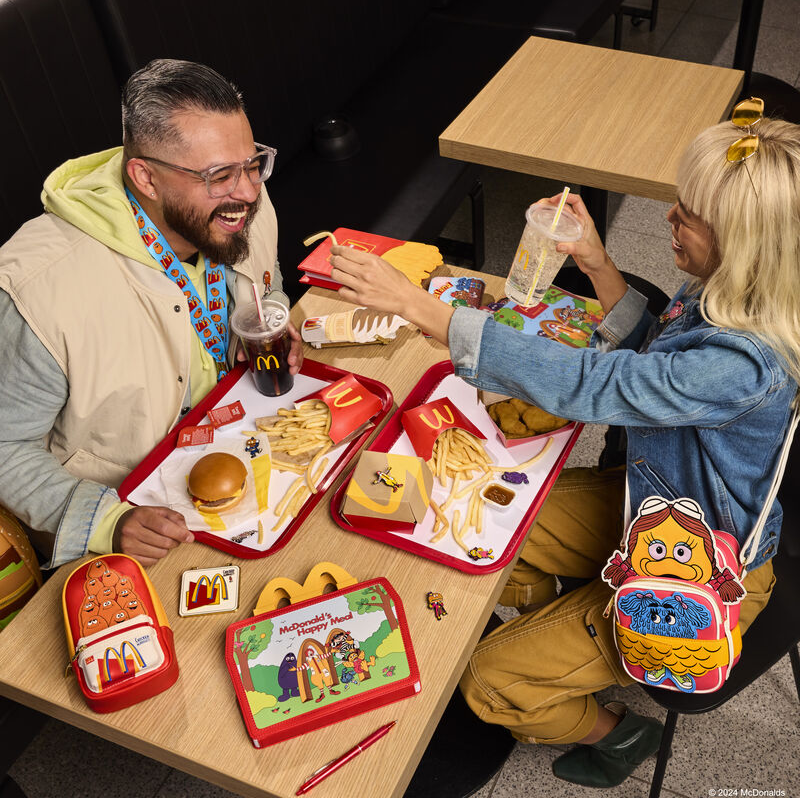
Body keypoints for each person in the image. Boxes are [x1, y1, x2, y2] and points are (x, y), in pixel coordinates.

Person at [327, 108, 800, 786]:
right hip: (656, 512)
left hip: (696, 570)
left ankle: (617, 735)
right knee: (491, 511)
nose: (669, 215)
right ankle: (558, 608)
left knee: (487, 682)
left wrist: (427, 311)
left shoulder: (744, 364)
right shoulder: (732, 293)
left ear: (743, 241)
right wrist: (597, 262)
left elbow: (600, 382)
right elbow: (655, 357)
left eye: (689, 213)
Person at [0, 59, 302, 570]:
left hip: (251, 447)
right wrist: (105, 521)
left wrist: (271, 315)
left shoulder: (237, 200)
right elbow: (6, 447)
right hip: (135, 528)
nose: (249, 192)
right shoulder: (38, 289)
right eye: (220, 175)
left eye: (253, 164)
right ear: (145, 177)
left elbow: (266, 276)